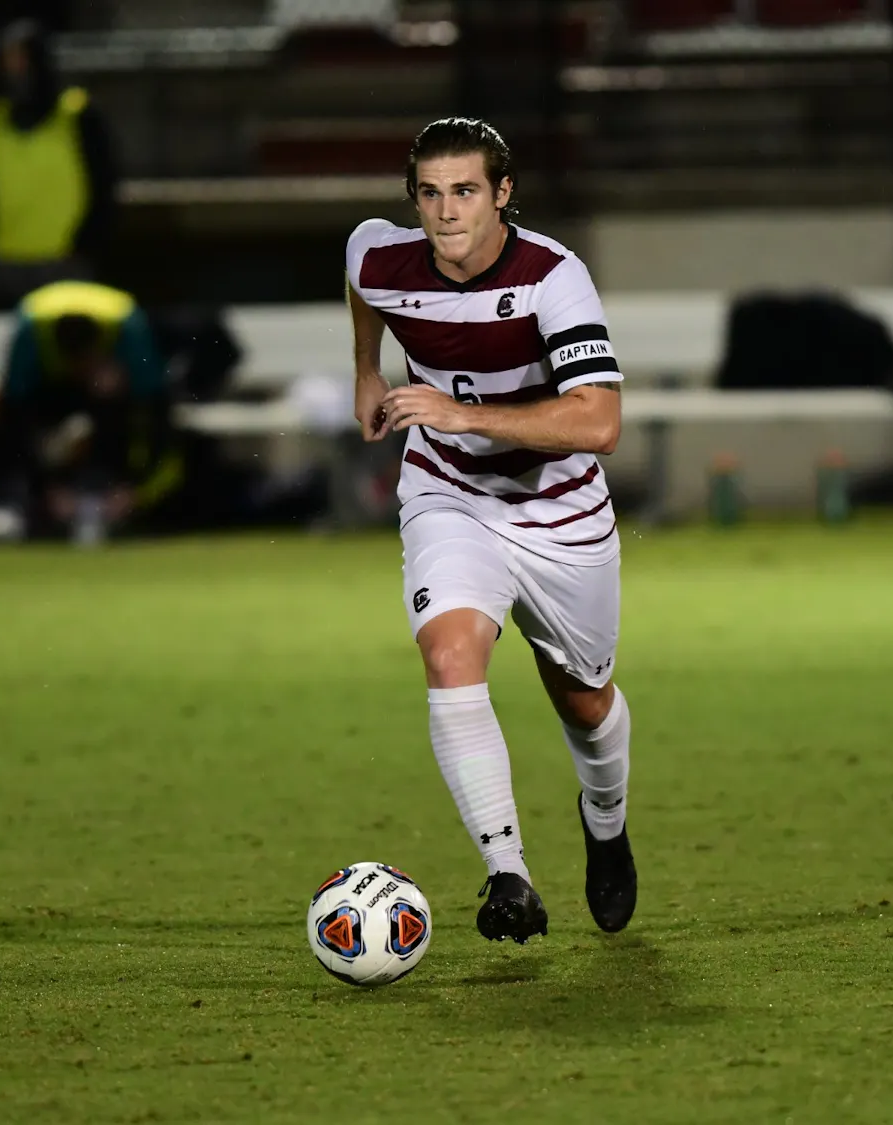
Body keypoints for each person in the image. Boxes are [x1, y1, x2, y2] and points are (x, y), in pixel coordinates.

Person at [345, 117, 634, 944]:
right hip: (449, 494)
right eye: (430, 194)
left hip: (560, 512)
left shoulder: (553, 277)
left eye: (465, 191)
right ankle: (507, 872)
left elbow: (600, 421)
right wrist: (367, 369)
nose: (447, 212)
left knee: (582, 699)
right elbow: (358, 273)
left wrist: (456, 409)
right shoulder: (383, 257)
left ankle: (606, 821)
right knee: (449, 652)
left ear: (503, 193)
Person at [0, 280, 177, 543]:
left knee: (107, 387)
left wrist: (134, 489)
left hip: (111, 402)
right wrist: (46, 489)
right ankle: (9, 504)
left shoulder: (127, 325)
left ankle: (102, 491)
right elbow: (16, 409)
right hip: (46, 393)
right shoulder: (31, 326)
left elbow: (157, 411)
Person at [0, 19, 117, 309]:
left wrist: (87, 245)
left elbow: (105, 182)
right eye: (8, 63)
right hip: (6, 262)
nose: (14, 71)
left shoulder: (77, 113)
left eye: (21, 61)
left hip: (65, 261)